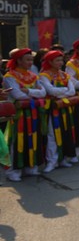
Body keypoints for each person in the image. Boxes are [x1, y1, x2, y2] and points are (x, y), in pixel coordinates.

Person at [3, 49, 47, 180]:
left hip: (33, 113)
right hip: (18, 114)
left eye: (31, 60)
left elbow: (43, 93)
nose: (30, 62)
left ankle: (30, 167)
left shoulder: (34, 76)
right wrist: (35, 93)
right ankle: (13, 171)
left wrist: (27, 91)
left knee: (33, 138)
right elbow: (17, 95)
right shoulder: (9, 77)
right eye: (27, 59)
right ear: (18, 61)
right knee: (17, 141)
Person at [38, 50, 77, 172]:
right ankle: (51, 161)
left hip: (64, 108)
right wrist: (64, 91)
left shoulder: (65, 75)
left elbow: (72, 91)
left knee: (66, 133)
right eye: (57, 60)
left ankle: (64, 159)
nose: (61, 63)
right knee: (52, 135)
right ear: (50, 62)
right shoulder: (44, 75)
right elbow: (50, 91)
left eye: (61, 60)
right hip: (52, 109)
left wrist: (60, 92)